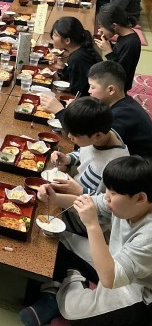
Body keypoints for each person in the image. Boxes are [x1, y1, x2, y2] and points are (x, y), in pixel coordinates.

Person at [30, 157, 152, 326]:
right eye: (108, 190)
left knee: (72, 311)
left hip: (137, 291)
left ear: (140, 198)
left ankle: (68, 280)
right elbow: (90, 203)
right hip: (114, 262)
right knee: (57, 237)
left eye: (113, 193)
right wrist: (54, 197)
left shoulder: (148, 235)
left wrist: (92, 224)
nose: (107, 196)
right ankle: (67, 280)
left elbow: (109, 279)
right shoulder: (127, 204)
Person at [48, 98, 128, 220]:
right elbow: (83, 152)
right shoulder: (99, 134)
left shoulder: (118, 165)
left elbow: (109, 205)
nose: (69, 136)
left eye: (75, 135)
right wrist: (68, 159)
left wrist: (80, 190)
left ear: (98, 135)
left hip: (85, 218)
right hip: (71, 197)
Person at [50, 16, 102, 97]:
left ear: (67, 41)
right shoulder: (82, 50)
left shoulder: (77, 58)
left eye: (55, 35)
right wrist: (62, 67)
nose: (52, 38)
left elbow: (75, 90)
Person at [95, 4, 141, 92]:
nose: (100, 29)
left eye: (102, 26)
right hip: (115, 81)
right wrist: (107, 42)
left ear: (114, 26)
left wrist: (108, 52)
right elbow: (118, 53)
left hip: (119, 86)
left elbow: (120, 71)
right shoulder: (124, 35)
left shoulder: (131, 43)